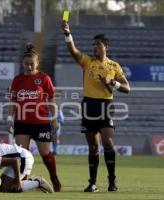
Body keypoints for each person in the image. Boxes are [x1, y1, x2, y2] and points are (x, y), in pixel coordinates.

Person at [61, 21, 130, 192]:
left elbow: (127, 88)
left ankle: (112, 181)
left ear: (105, 46)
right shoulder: (87, 62)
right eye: (93, 45)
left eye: (97, 44)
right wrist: (67, 33)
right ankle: (92, 183)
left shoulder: (114, 66)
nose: (94, 47)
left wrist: (112, 83)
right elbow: (73, 51)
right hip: (89, 105)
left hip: (106, 105)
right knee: (92, 146)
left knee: (108, 142)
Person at [7, 43, 62, 192]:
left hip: (41, 122)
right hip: (21, 122)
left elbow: (51, 100)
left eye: (32, 64)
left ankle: (54, 178)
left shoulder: (44, 79)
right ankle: (22, 181)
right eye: (26, 64)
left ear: (37, 63)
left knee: (45, 154)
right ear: (22, 64)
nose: (29, 67)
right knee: (21, 154)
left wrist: (54, 119)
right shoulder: (17, 80)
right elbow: (12, 101)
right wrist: (9, 119)